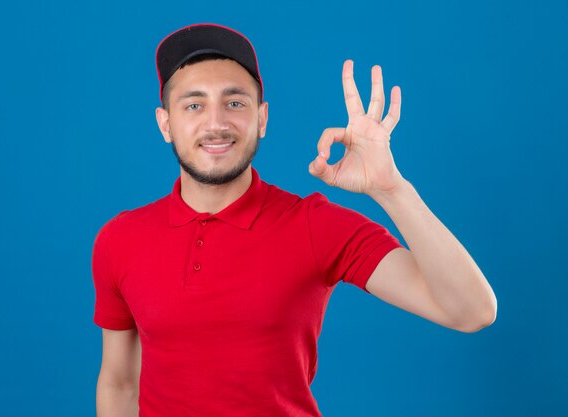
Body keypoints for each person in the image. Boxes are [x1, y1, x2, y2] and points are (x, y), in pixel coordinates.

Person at [91, 23, 497, 417]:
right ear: (166, 124)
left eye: (235, 103)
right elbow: (120, 383)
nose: (216, 123)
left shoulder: (313, 225)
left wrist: (391, 189)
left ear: (262, 118)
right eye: (194, 105)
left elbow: (471, 311)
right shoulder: (120, 239)